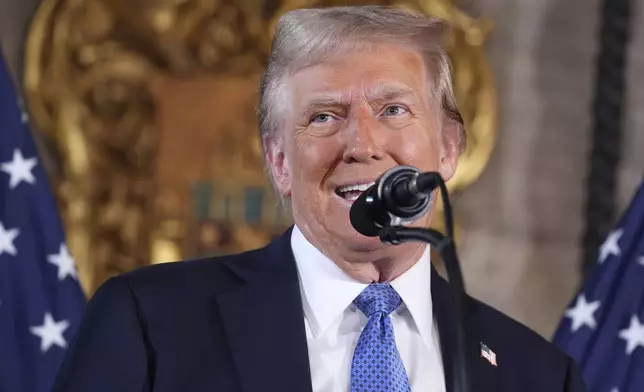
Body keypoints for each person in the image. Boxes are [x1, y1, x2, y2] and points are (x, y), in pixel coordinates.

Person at [52, 6, 587, 392]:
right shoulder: (151, 324)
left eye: (393, 109)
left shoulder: (536, 374)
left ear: (449, 149)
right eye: (324, 117)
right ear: (280, 162)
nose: (361, 144)